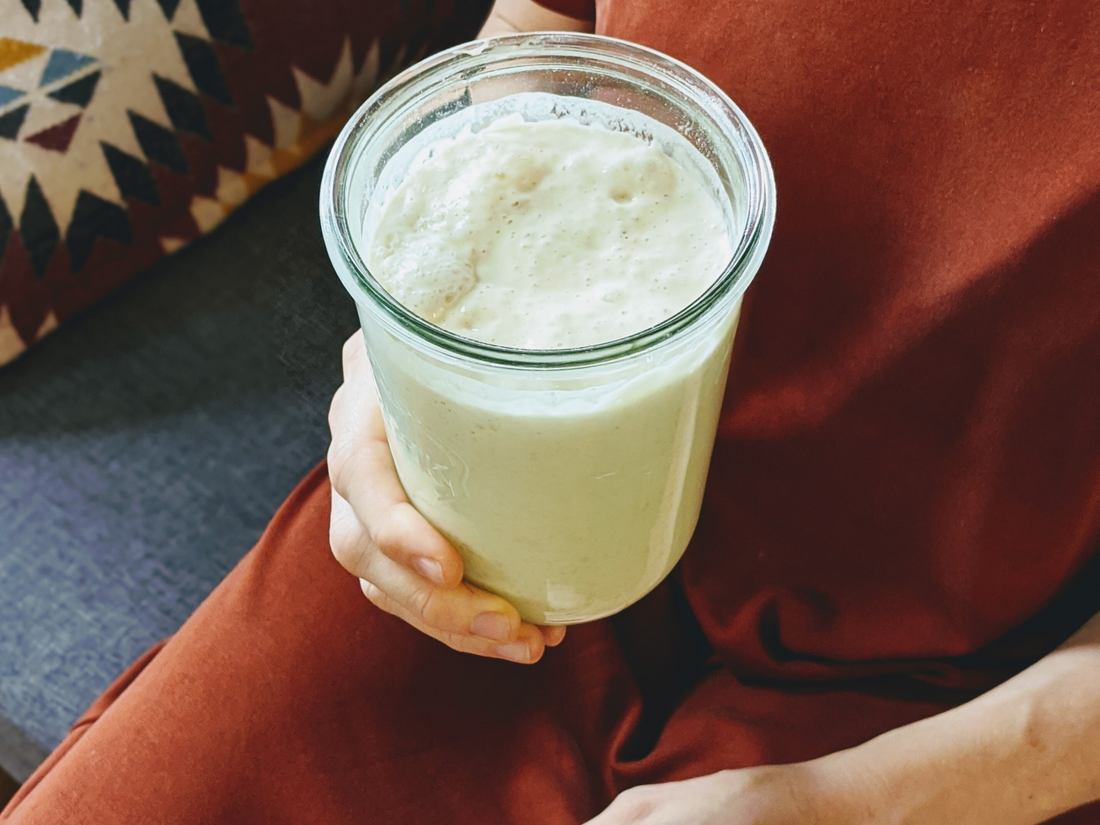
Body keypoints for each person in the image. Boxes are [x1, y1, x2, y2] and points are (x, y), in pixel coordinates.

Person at [4, 0, 1100, 822]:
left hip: (955, 694)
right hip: (479, 533)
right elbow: (537, 44)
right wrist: (390, 375)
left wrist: (857, 803)